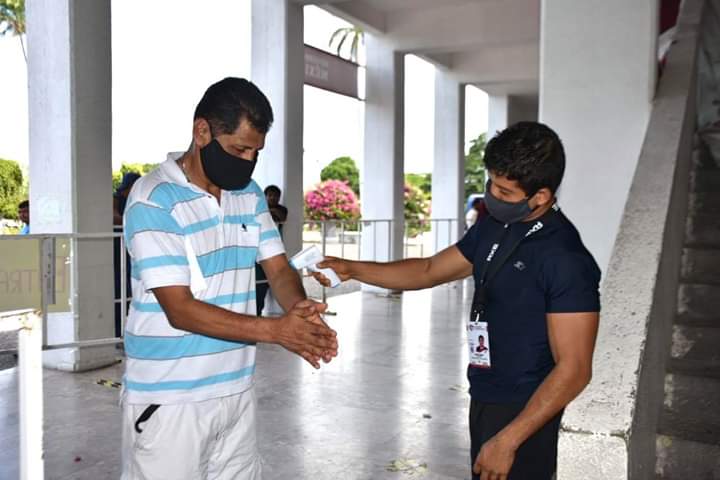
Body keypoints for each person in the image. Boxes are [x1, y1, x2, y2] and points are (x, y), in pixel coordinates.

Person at [314, 122, 601, 480]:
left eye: (504, 191)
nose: (491, 195)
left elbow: (574, 369)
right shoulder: (495, 225)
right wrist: (352, 269)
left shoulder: (565, 258)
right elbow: (429, 270)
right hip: (485, 391)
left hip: (526, 410)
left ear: (541, 196)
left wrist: (508, 440)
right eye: (491, 183)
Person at [121, 77, 338, 480]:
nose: (248, 160)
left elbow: (278, 268)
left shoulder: (248, 193)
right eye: (239, 149)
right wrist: (278, 331)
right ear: (202, 131)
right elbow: (180, 309)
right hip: (171, 396)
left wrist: (300, 311)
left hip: (236, 389)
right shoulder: (154, 198)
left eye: (256, 152)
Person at [114, 172, 142, 337]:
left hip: (129, 251)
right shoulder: (116, 199)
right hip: (116, 252)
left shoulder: (138, 200)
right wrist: (133, 218)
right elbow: (114, 217)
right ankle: (117, 331)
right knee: (119, 289)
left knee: (129, 289)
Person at [255, 184, 288, 316]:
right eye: (270, 195)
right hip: (257, 253)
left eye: (276, 196)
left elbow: (282, 216)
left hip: (274, 252)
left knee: (270, 283)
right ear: (265, 196)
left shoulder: (281, 209)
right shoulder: (258, 208)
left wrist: (268, 211)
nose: (273, 198)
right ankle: (256, 313)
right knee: (258, 285)